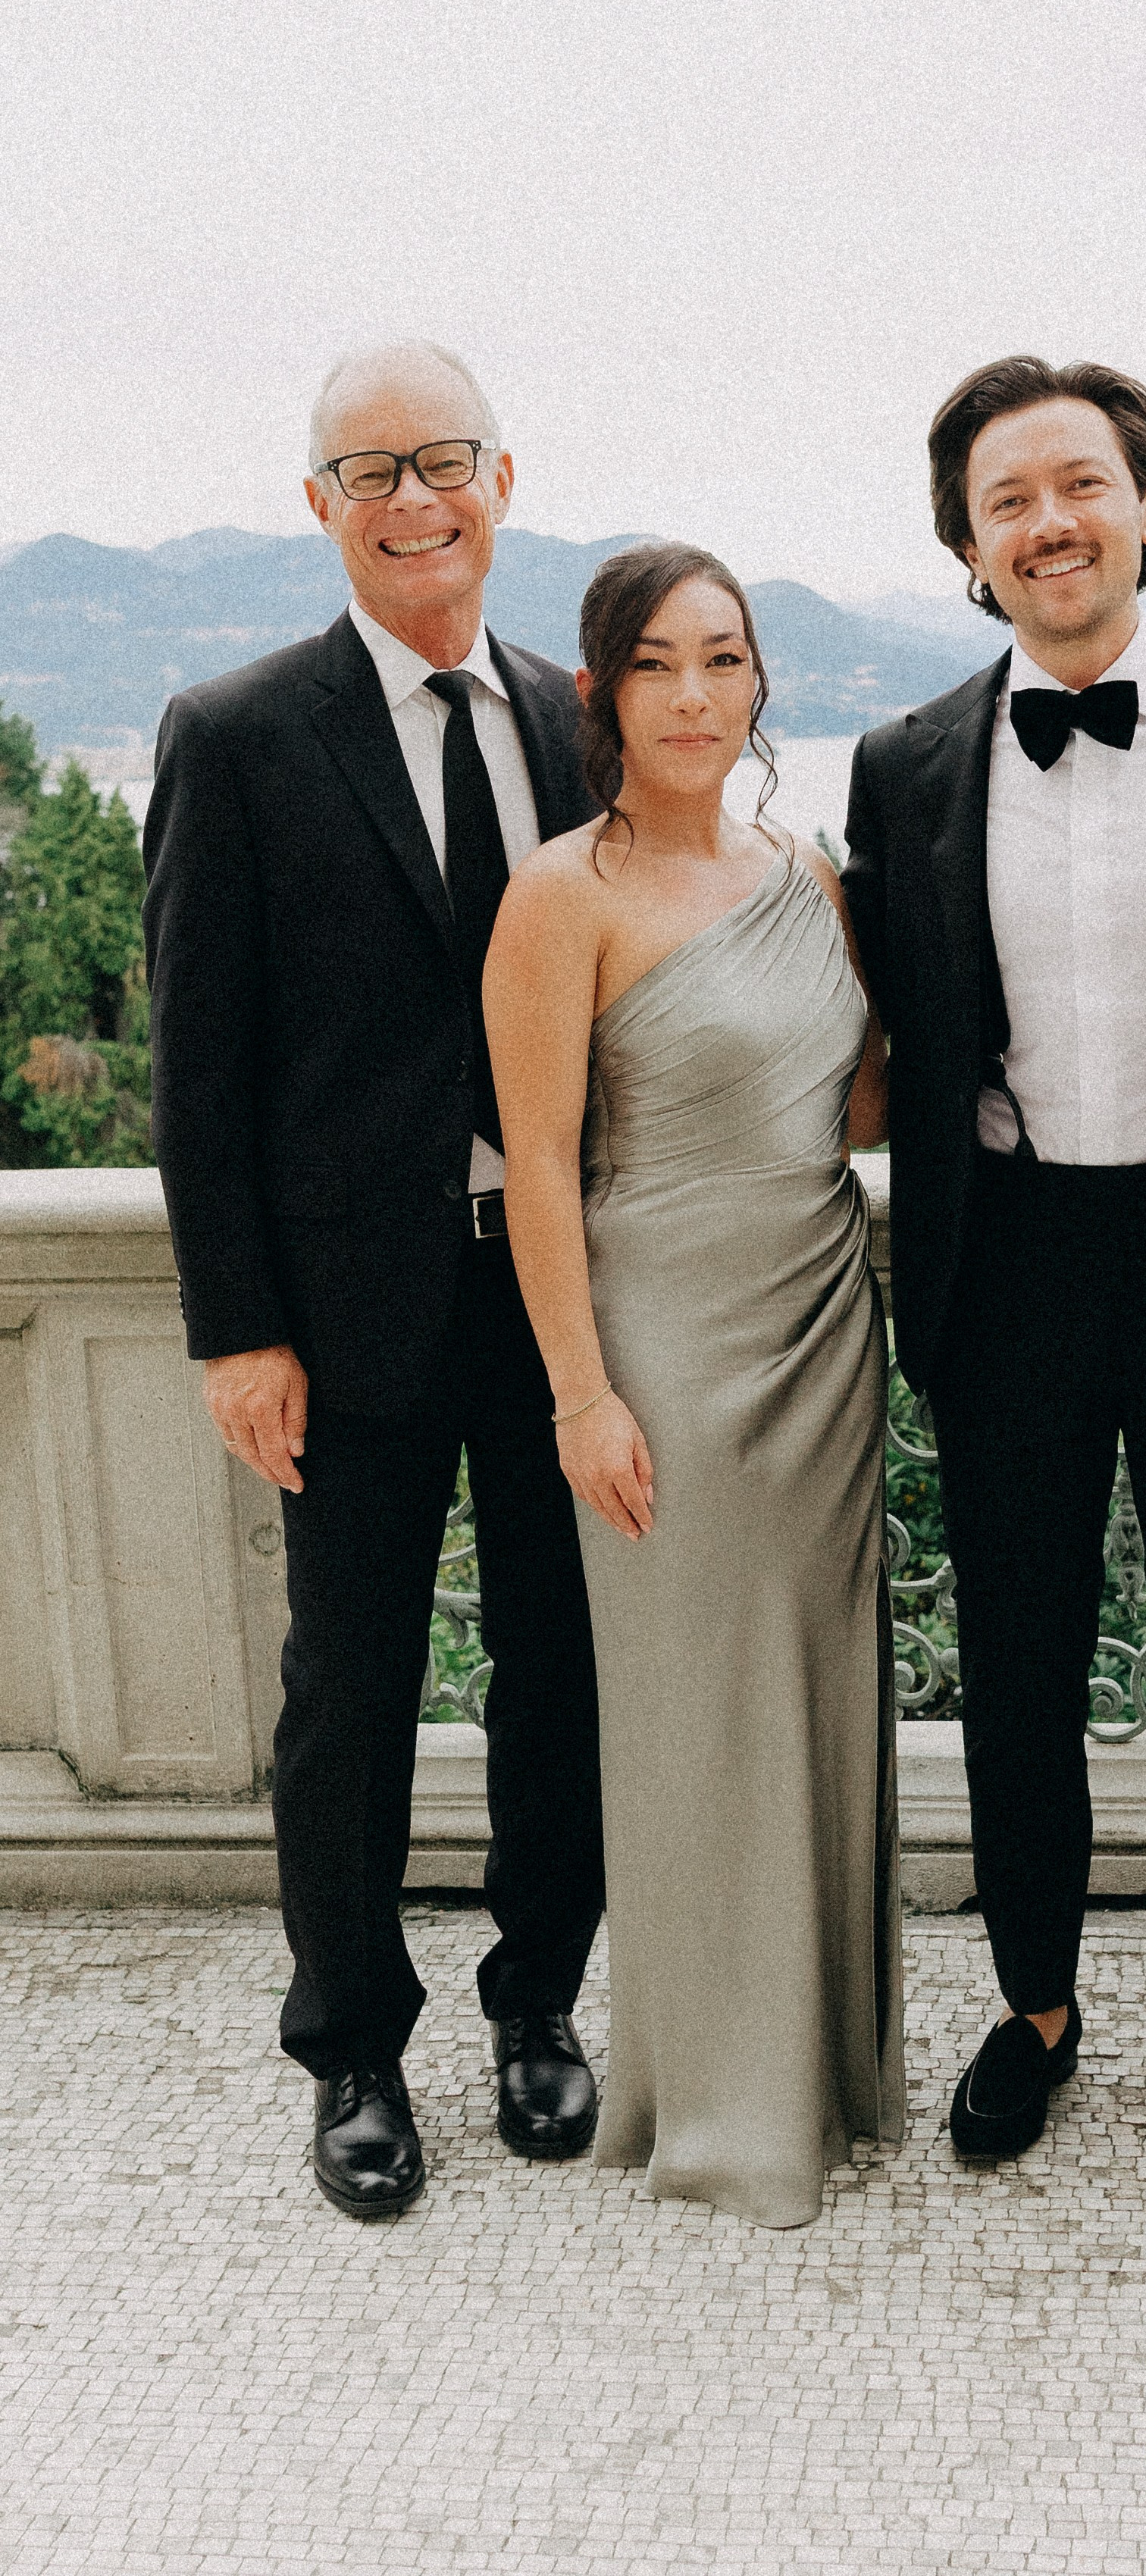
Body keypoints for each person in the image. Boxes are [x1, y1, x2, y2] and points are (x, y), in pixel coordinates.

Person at [142, 341, 606, 2218]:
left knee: (559, 1672)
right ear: (318, 503)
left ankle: (538, 2008)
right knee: (350, 1688)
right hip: (342, 1315)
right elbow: (199, 1071)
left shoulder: (583, 718)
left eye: (445, 460)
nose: (414, 498)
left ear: (506, 476)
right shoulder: (238, 733)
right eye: (371, 469)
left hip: (558, 1298)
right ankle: (349, 2047)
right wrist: (237, 1327)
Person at [842, 357, 1146, 2171]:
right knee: (1018, 1656)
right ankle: (1032, 2004)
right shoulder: (901, 768)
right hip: (1008, 1257)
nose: (1046, 522)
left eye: (1078, 485)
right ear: (966, 546)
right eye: (1004, 500)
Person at [485, 541, 905, 2230]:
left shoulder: (806, 870)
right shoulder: (558, 893)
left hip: (819, 1321)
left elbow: (857, 1103)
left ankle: (826, 2069)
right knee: (690, 1713)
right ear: (602, 692)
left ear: (755, 684)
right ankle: (725, 2105)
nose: (692, 695)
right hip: (662, 1337)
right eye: (655, 664)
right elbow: (531, 1162)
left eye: (721, 660)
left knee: (813, 1692)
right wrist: (581, 1393)